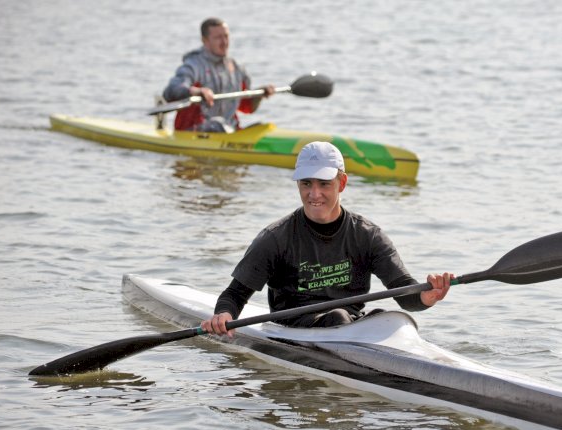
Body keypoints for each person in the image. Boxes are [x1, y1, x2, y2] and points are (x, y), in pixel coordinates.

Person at [202, 141, 454, 337]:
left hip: (348, 326)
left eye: (324, 184)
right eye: (306, 184)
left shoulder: (367, 235)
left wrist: (426, 297)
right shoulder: (275, 238)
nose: (314, 194)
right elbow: (234, 295)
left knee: (388, 318)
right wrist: (223, 316)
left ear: (341, 183)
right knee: (338, 317)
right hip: (293, 328)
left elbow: (405, 293)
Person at [162, 17, 275, 132]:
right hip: (194, 132)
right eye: (218, 38)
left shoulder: (236, 68)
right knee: (216, 126)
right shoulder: (193, 65)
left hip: (228, 131)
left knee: (262, 127)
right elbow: (170, 92)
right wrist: (198, 92)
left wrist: (260, 94)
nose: (224, 42)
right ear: (205, 40)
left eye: (226, 36)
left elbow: (246, 107)